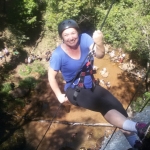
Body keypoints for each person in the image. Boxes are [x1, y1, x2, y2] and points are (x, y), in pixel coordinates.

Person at [48, 19, 150, 149]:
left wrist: (99, 42)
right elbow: (51, 76)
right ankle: (140, 127)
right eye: (66, 35)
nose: (70, 37)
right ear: (61, 37)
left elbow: (100, 55)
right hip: (74, 90)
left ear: (77, 32)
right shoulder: (58, 54)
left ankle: (136, 144)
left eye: (72, 33)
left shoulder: (84, 38)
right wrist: (59, 95)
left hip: (91, 86)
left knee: (120, 112)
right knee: (103, 105)